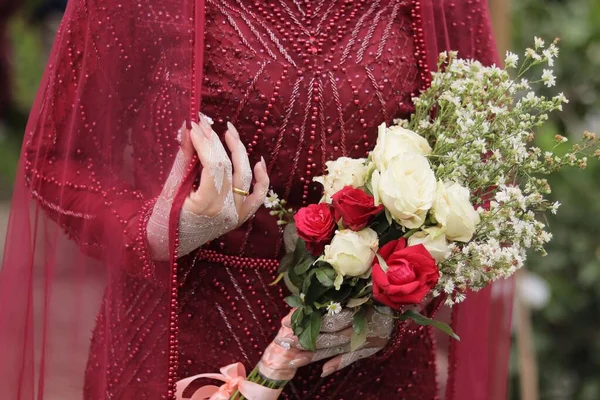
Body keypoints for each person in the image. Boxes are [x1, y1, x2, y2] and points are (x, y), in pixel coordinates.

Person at [0, 0, 514, 399]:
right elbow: (59, 158)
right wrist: (159, 229)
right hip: (187, 354)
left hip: (369, 365)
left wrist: (405, 296)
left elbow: (486, 161)